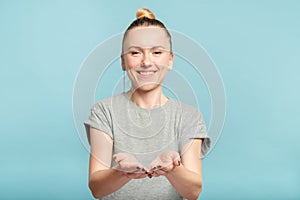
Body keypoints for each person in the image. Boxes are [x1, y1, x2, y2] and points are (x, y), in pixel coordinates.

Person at [84, 8, 211, 200]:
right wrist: (122, 172)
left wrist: (171, 169)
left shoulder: (189, 117)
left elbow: (193, 191)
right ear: (123, 62)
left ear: (170, 60)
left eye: (157, 52)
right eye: (135, 53)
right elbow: (97, 188)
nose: (146, 62)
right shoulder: (104, 112)